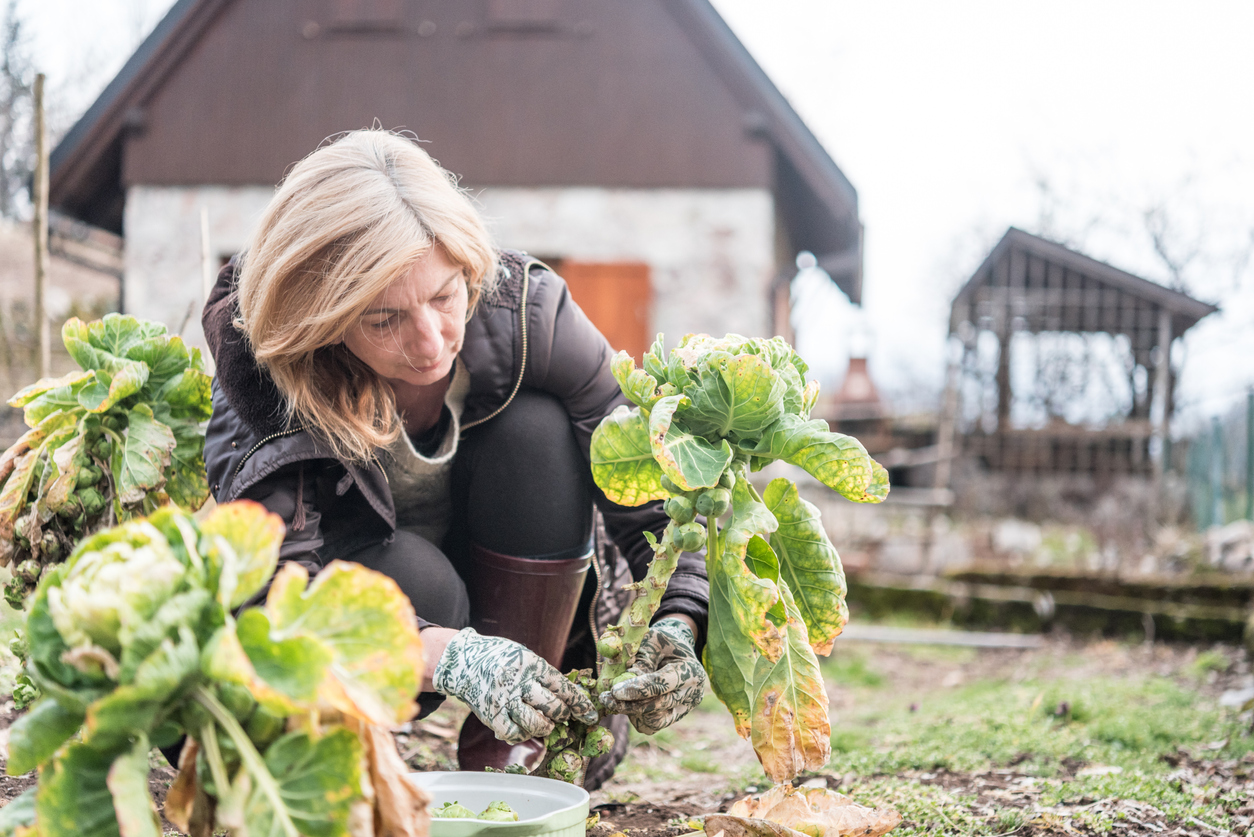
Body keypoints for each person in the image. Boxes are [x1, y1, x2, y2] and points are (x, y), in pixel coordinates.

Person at [200, 129, 709, 788]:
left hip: (518, 561)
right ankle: (347, 749)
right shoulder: (268, 371)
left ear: (467, 263)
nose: (430, 340)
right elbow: (277, 592)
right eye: (383, 320)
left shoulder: (529, 313)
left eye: (444, 296)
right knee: (423, 579)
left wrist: (679, 616)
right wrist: (442, 653)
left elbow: (647, 482)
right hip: (375, 578)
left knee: (539, 430)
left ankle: (521, 735)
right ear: (323, 321)